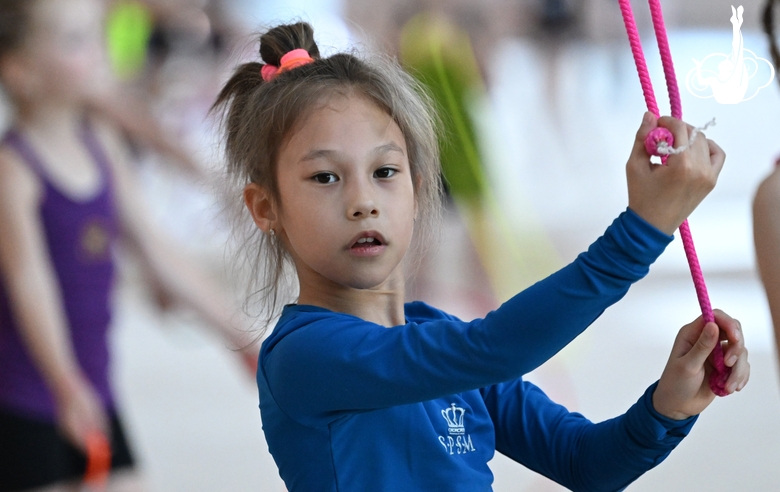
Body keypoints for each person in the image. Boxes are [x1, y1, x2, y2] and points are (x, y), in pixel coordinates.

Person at [211, 22, 750, 491]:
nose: (362, 202)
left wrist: (668, 408)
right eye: (325, 177)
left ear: (419, 191)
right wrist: (639, 233)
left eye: (385, 172)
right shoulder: (306, 355)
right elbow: (495, 348)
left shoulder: (442, 341)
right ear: (266, 208)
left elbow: (585, 463)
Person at [0, 0, 255, 491]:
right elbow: (28, 280)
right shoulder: (15, 168)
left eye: (96, 35)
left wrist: (239, 335)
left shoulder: (100, 143)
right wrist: (62, 381)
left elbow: (159, 252)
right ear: (21, 71)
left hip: (92, 387)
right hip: (28, 398)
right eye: (75, 41)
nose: (98, 52)